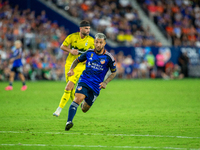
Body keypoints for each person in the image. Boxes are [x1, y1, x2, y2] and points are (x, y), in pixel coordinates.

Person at [65, 33, 117, 131]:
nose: (98, 44)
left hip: (96, 86)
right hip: (84, 80)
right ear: (94, 42)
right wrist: (71, 69)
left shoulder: (108, 57)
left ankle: (83, 102)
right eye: (96, 42)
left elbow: (114, 72)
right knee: (77, 99)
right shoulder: (89, 52)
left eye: (100, 42)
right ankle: (69, 122)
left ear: (104, 43)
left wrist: (105, 82)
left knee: (84, 109)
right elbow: (76, 60)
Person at [53, 20, 95, 117]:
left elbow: (94, 54)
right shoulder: (72, 37)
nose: (88, 30)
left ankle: (58, 110)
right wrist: (70, 50)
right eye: (86, 28)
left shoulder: (91, 41)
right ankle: (76, 105)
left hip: (80, 66)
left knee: (68, 87)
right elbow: (62, 46)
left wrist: (88, 60)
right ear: (81, 29)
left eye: (89, 28)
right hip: (69, 64)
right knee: (71, 90)